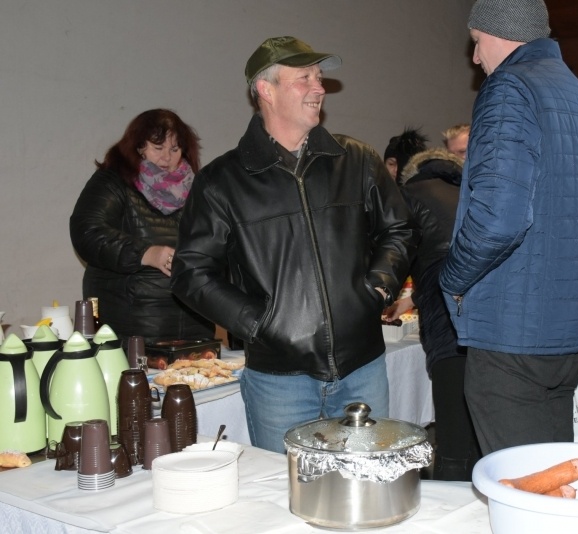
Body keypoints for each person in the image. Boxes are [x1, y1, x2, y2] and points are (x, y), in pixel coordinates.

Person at [170, 36, 418, 454]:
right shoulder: (222, 182)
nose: (319, 88)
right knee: (286, 500)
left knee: (367, 488)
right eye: (304, 78)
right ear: (265, 90)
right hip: (278, 382)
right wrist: (258, 322)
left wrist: (378, 285)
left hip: (363, 368)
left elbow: (399, 230)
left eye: (319, 77)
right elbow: (191, 272)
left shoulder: (356, 160)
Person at [439, 0, 578, 455]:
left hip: (512, 333)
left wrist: (453, 279)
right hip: (567, 335)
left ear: (498, 33)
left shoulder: (510, 88)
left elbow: (498, 219)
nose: (475, 59)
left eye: (476, 44)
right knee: (554, 479)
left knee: (522, 490)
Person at [69, 109, 215, 348]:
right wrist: (147, 254)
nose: (167, 157)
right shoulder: (113, 182)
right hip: (129, 329)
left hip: (194, 327)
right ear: (139, 147)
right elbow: (87, 232)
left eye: (175, 149)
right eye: (158, 148)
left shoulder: (198, 188)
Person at [385, 147, 481, 481]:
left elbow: (392, 258)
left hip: (447, 325)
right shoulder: (475, 193)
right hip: (490, 326)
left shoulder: (408, 195)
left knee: (452, 441)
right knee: (481, 433)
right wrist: (409, 300)